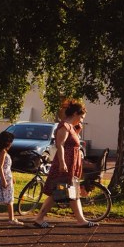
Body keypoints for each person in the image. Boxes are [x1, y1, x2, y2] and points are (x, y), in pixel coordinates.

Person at [33, 98, 94, 228]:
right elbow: (60, 145)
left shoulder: (70, 127)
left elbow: (71, 143)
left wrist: (77, 131)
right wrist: (62, 163)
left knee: (70, 190)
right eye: (81, 117)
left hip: (71, 163)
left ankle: (80, 220)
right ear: (75, 114)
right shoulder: (64, 126)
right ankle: (39, 218)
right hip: (65, 163)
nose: (82, 120)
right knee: (59, 191)